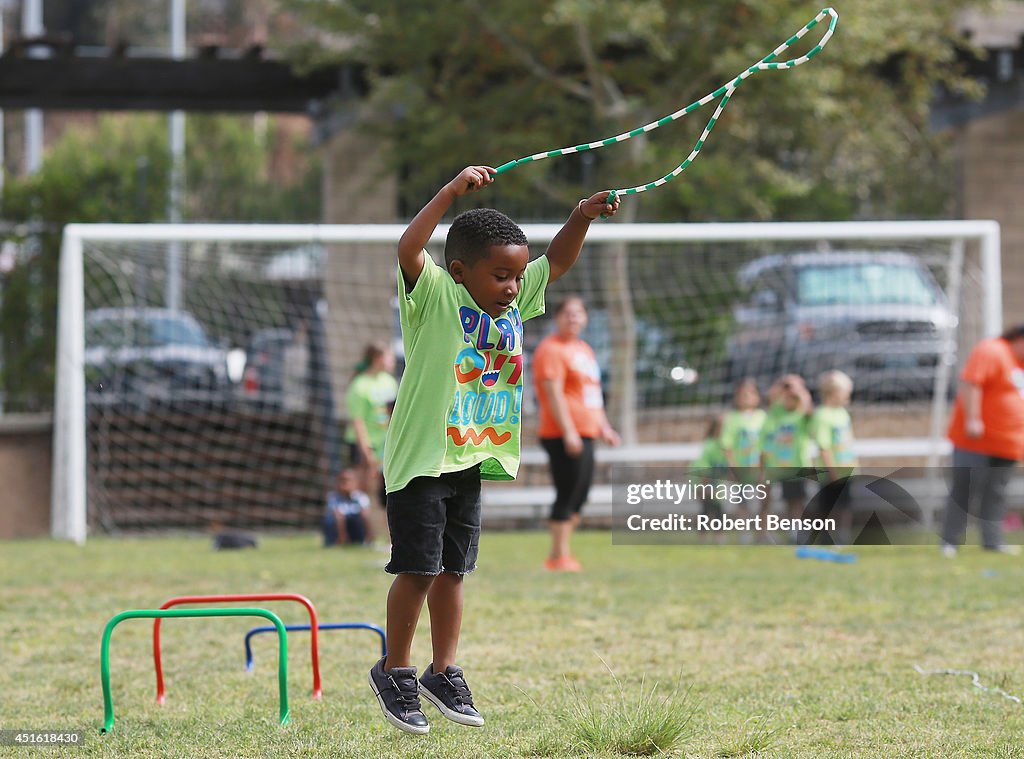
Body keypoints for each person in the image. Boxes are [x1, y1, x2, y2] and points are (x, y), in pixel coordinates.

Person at [367, 165, 619, 735]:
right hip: (423, 460)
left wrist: (580, 215)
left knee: (453, 572)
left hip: (471, 458)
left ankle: (442, 670)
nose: (512, 286)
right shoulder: (433, 294)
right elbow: (409, 247)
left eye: (515, 276)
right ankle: (396, 670)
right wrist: (450, 192)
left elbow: (554, 263)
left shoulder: (512, 303)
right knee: (418, 569)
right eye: (499, 275)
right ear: (460, 271)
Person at [533, 295, 620, 571]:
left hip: (587, 431)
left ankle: (562, 553)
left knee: (581, 493)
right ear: (558, 317)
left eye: (579, 313)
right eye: (568, 313)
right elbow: (553, 393)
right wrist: (569, 431)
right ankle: (558, 556)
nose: (573, 318)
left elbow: (593, 394)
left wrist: (603, 426)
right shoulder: (551, 349)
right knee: (567, 491)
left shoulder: (585, 350)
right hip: (561, 433)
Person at [940, 324, 1024, 556]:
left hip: (1008, 444)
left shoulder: (1020, 364)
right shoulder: (993, 350)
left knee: (996, 493)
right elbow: (971, 382)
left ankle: (993, 541)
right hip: (976, 440)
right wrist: (973, 419)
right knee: (965, 489)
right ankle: (950, 542)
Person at [760, 374, 814, 543]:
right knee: (767, 500)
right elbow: (771, 396)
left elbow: (807, 405)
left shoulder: (801, 415)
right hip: (775, 466)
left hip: (795, 467)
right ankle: (764, 534)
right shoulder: (776, 413)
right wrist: (784, 382)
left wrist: (798, 388)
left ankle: (795, 532)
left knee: (796, 501)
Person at [344, 342, 398, 508]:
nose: (392, 362)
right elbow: (358, 422)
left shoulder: (390, 382)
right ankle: (363, 528)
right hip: (365, 444)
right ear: (377, 359)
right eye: (389, 358)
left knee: (384, 490)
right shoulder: (360, 385)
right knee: (364, 488)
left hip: (385, 444)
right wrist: (366, 451)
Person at [809, 370, 858, 545]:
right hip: (831, 471)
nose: (848, 396)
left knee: (845, 505)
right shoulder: (822, 415)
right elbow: (824, 447)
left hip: (846, 468)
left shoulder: (843, 413)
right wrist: (832, 470)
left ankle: (843, 537)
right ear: (834, 392)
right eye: (846, 392)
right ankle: (825, 538)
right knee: (827, 506)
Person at [720, 378, 766, 525]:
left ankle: (763, 531)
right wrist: (733, 467)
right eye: (742, 394)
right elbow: (726, 446)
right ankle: (744, 531)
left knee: (764, 500)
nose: (746, 397)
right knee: (742, 501)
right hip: (742, 468)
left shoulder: (763, 417)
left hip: (760, 468)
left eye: (751, 393)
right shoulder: (732, 419)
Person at [691, 415, 728, 543]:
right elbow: (704, 468)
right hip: (705, 480)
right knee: (707, 509)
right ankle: (704, 537)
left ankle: (719, 536)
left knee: (718, 508)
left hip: (716, 481)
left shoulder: (726, 445)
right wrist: (704, 487)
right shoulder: (710, 445)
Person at [321, 468, 373, 547]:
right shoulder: (333, 497)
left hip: (353, 525)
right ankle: (334, 542)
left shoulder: (360, 497)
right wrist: (342, 537)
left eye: (348, 481)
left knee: (360, 519)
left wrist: (369, 536)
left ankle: (361, 540)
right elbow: (338, 517)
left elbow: (366, 515)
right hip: (339, 526)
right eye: (342, 481)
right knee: (329, 520)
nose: (345, 484)